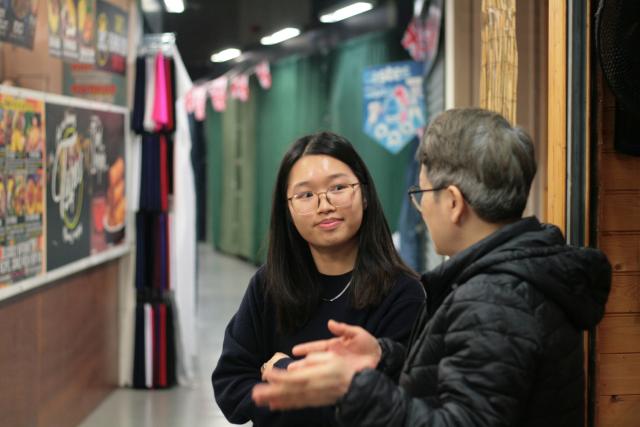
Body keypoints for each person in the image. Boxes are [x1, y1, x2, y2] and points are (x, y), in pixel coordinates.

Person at [252, 108, 612, 427]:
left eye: (423, 195)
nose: (422, 211)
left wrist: (354, 388)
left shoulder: (492, 301)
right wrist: (385, 355)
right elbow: (463, 374)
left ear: (453, 203)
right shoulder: (509, 282)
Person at [212, 131, 426, 426]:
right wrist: (325, 393)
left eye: (338, 187)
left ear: (364, 195)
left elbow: (392, 406)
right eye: (306, 195)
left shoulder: (403, 294)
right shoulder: (268, 285)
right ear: (287, 209)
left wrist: (287, 372)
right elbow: (230, 389)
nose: (324, 205)